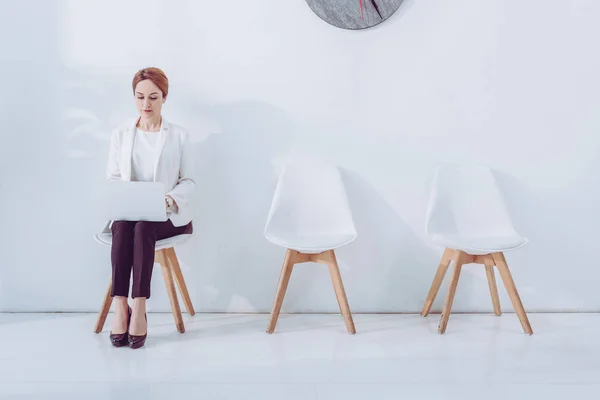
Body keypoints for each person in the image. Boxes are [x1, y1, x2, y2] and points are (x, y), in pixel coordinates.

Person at [106, 67, 195, 349]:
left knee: (143, 228)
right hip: (130, 212)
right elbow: (113, 178)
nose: (146, 104)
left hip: (167, 215)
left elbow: (190, 180)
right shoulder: (121, 134)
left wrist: (169, 199)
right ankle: (121, 305)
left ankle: (140, 306)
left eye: (153, 98)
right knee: (122, 227)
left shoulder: (179, 136)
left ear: (164, 98)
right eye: (140, 97)